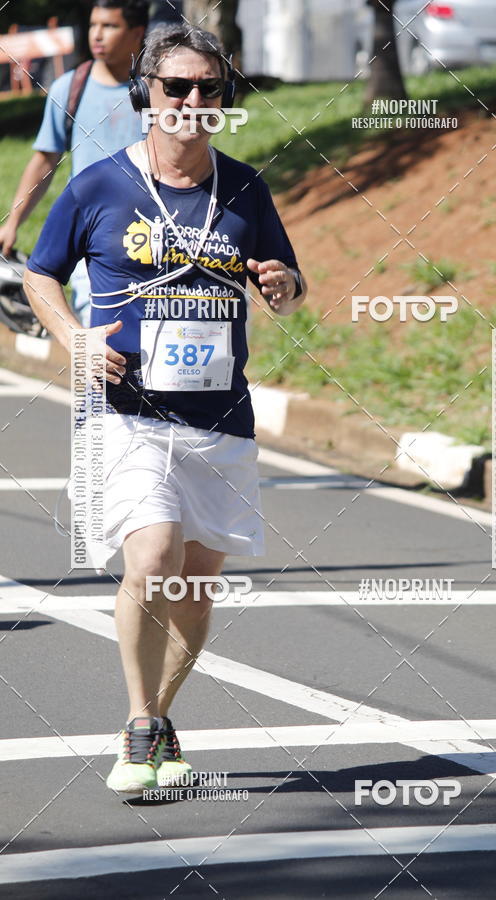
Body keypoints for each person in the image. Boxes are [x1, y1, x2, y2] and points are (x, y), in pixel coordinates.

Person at [24, 23, 307, 795]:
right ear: (145, 95)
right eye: (174, 87)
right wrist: (74, 339)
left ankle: (158, 716)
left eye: (207, 89)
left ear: (222, 100)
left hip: (220, 417)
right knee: (153, 558)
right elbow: (39, 275)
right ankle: (140, 722)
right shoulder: (99, 186)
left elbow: (285, 280)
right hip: (125, 409)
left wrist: (284, 286)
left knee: (195, 584)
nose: (190, 101)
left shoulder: (245, 187)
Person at [1, 0, 148, 326]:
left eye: (109, 26)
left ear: (137, 32)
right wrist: (12, 223)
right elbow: (44, 161)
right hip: (91, 240)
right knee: (95, 331)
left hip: (150, 236)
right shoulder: (69, 88)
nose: (97, 34)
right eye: (94, 25)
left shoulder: (159, 91)